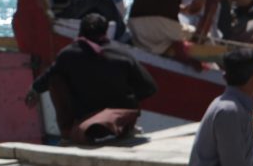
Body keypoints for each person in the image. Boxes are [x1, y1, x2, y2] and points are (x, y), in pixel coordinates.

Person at [25, 13, 157, 142]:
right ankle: (129, 128)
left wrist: (34, 90)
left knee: (55, 80)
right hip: (120, 121)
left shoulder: (68, 55)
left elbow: (47, 78)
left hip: (87, 125)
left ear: (80, 31)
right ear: (106, 31)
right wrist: (126, 96)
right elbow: (149, 87)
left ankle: (68, 134)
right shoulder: (122, 53)